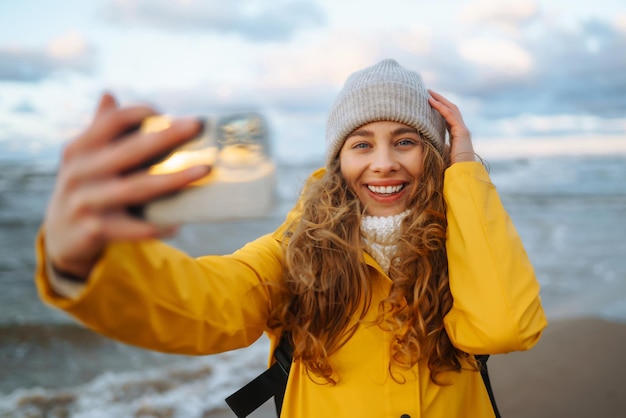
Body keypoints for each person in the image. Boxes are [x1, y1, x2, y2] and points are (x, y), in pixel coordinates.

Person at [35, 59, 547, 417]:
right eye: (361, 143)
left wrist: (466, 171)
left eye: (407, 141)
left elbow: (504, 328)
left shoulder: (468, 243)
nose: (384, 162)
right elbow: (209, 303)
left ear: (433, 155)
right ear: (338, 161)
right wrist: (86, 263)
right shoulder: (295, 252)